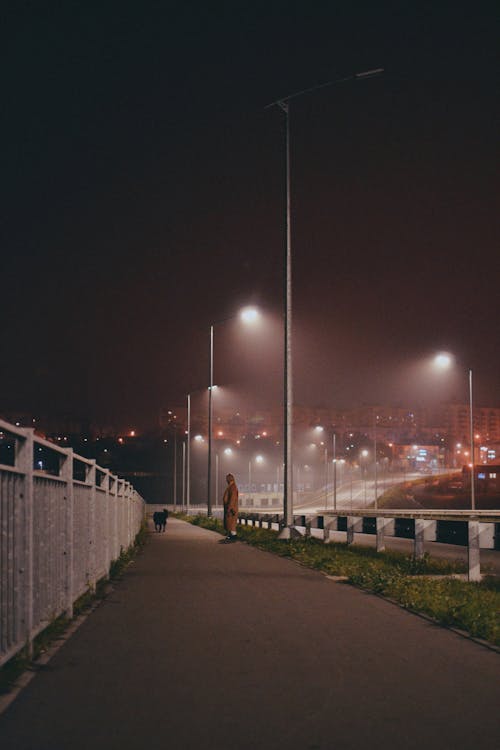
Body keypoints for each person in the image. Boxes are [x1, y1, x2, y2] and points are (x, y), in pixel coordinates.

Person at [221, 473, 239, 543]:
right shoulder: (231, 486)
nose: (226, 480)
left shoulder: (233, 487)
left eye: (227, 479)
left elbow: (232, 499)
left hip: (231, 509)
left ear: (229, 479)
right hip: (230, 508)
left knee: (231, 524)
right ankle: (230, 536)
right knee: (230, 523)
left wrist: (229, 508)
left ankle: (233, 537)